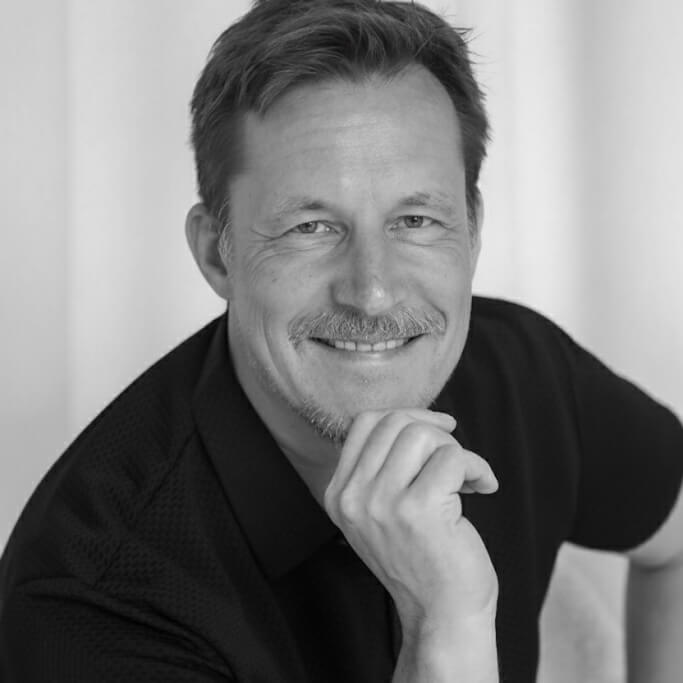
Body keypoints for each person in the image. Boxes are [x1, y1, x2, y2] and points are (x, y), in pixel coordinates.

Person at [1, 0, 682, 680]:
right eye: (311, 228)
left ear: (473, 230)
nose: (373, 291)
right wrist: (445, 625)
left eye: (415, 220)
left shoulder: (519, 371)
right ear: (216, 253)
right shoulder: (90, 607)